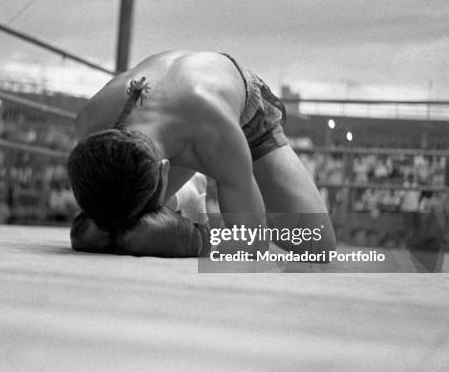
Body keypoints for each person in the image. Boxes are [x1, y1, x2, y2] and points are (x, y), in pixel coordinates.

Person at [68, 51, 336, 257]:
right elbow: (103, 202)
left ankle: (184, 193)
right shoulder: (90, 123)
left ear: (164, 170)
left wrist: (192, 238)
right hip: (183, 113)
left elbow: (253, 241)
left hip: (236, 107)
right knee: (108, 224)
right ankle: (184, 194)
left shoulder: (217, 132)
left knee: (316, 242)